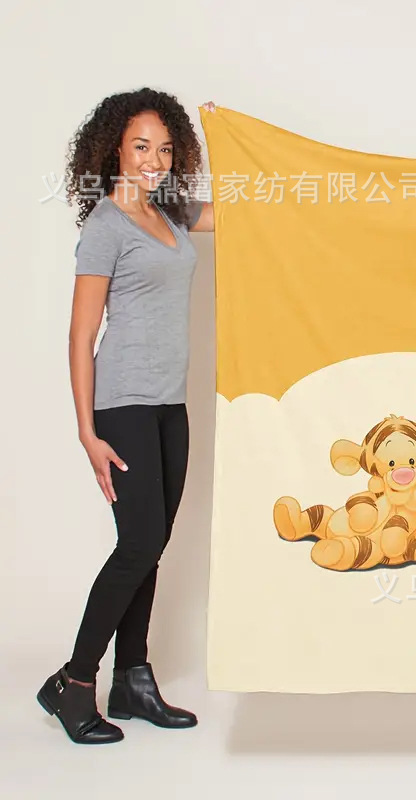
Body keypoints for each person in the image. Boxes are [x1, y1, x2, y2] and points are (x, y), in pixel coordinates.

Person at [37, 89, 217, 744]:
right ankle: (73, 683)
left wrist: (230, 134)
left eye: (166, 149)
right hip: (122, 406)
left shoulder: (170, 213)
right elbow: (80, 335)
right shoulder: (106, 227)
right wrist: (87, 432)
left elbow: (244, 213)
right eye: (141, 146)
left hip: (170, 404)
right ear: (114, 148)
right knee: (138, 543)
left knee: (153, 544)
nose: (154, 160)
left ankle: (133, 680)